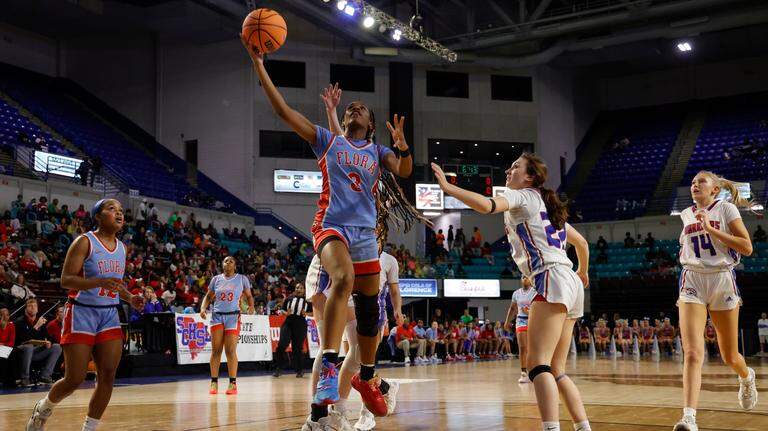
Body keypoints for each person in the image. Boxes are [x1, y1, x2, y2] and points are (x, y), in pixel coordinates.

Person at [244, 37, 414, 427]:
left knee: (372, 310)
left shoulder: (375, 153)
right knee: (342, 278)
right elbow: (282, 110)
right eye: (349, 107)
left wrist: (403, 148)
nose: (355, 108)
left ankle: (368, 376)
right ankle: (327, 371)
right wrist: (259, 65)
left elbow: (403, 172)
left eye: (362, 108)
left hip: (365, 234)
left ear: (371, 125)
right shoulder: (327, 141)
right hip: (331, 227)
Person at [432, 153, 592, 431]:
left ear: (529, 177)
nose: (508, 169)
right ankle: (583, 427)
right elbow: (582, 244)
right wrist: (583, 272)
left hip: (550, 275)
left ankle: (551, 428)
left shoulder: (523, 196)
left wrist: (448, 188)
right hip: (570, 281)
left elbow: (486, 205)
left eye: (515, 166)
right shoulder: (546, 207)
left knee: (537, 365)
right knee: (557, 370)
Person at [26, 199, 145, 431]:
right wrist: (98, 281)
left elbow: (115, 284)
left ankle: (89, 428)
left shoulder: (122, 248)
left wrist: (130, 297)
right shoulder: (84, 242)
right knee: (75, 378)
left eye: (121, 211)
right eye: (112, 209)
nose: (118, 213)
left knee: (108, 376)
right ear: (98, 216)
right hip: (81, 312)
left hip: (109, 314)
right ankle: (43, 408)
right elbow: (66, 280)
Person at [674, 171, 758, 431]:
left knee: (730, 356)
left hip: (722, 278)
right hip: (692, 280)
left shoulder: (726, 208)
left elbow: (746, 247)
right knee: (692, 352)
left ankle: (746, 376)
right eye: (692, 183)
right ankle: (689, 417)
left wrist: (710, 229)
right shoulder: (686, 215)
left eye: (701, 181)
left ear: (715, 190)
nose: (694, 185)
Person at [200, 256, 255, 395]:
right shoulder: (216, 279)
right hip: (217, 315)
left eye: (231, 261)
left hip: (233, 316)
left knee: (230, 351)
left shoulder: (242, 279)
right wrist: (202, 308)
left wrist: (251, 306)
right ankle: (214, 382)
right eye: (225, 261)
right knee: (216, 350)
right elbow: (208, 296)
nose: (228, 262)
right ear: (222, 264)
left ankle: (233, 383)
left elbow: (249, 296)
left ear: (235, 265)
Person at [14, 298, 62, 387]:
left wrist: (49, 342)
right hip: (21, 352)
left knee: (57, 347)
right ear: (26, 309)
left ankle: (45, 376)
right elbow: (24, 340)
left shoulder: (40, 321)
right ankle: (25, 378)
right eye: (30, 306)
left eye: (35, 306)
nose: (33, 308)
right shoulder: (19, 322)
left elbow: (49, 337)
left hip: (36, 352)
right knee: (29, 346)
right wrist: (36, 327)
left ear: (37, 309)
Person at [273, 284, 310, 378]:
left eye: (301, 288)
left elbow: (313, 312)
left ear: (304, 290)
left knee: (297, 348)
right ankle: (279, 367)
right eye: (297, 287)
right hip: (288, 323)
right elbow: (282, 310)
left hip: (300, 324)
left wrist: (306, 313)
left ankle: (299, 370)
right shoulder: (289, 298)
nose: (299, 289)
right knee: (282, 344)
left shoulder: (308, 301)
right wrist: (286, 313)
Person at [506, 275, 536, 383]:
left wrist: (530, 312)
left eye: (527, 277)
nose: (525, 279)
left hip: (534, 321)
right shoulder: (516, 293)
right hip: (521, 321)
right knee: (523, 347)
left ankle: (534, 371)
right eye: (523, 277)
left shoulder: (535, 292)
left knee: (532, 349)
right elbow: (512, 308)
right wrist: (507, 322)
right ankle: (523, 373)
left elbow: (540, 308)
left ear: (531, 279)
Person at [1, 306, 17, 387]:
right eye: (2, 315)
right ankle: (4, 379)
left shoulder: (11, 326)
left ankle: (10, 380)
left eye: (7, 315)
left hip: (6, 348)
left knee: (11, 352)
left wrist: (3, 345)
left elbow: (12, 342)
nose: (5, 317)